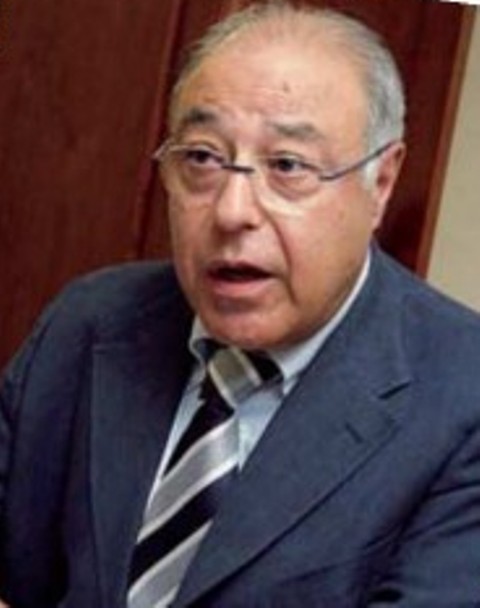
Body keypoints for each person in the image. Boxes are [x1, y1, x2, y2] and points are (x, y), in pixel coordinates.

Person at [1, 2, 480, 606]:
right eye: (202, 158)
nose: (231, 212)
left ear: (380, 182)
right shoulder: (91, 322)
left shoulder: (464, 397)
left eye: (287, 166)